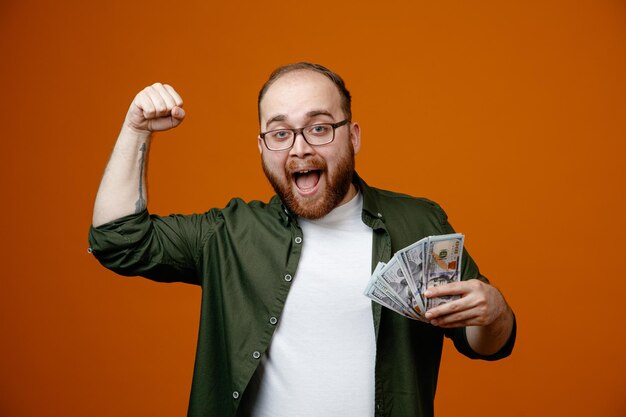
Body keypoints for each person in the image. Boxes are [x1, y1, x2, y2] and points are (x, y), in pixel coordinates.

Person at [88, 62, 516, 417]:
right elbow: (117, 241)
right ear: (261, 147)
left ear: (353, 136)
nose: (299, 149)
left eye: (319, 128)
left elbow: (484, 344)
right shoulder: (230, 234)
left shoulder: (419, 221)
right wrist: (136, 129)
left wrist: (494, 313)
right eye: (280, 133)